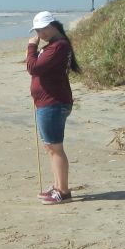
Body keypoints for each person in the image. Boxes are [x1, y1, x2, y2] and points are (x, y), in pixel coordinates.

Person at [27, 11, 80, 204]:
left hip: (53, 103)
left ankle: (63, 191)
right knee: (51, 147)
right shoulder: (54, 46)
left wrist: (31, 47)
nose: (41, 33)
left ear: (53, 26)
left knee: (55, 147)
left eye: (44, 29)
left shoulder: (58, 46)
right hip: (48, 102)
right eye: (38, 30)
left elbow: (34, 68)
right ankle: (58, 186)